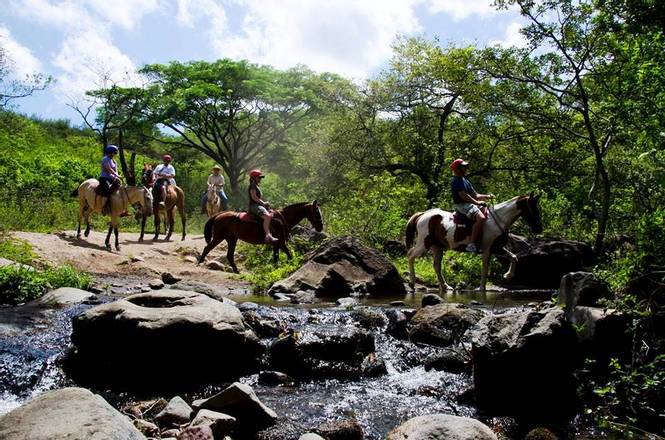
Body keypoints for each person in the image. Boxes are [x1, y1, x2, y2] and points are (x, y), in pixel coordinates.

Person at [450, 158, 493, 253]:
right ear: (457, 169)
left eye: (465, 167)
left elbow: (475, 194)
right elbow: (463, 195)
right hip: (462, 205)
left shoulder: (465, 180)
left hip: (469, 203)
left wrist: (487, 196)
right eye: (463, 167)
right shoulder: (456, 181)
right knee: (481, 218)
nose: (465, 169)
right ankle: (471, 244)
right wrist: (477, 202)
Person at [248, 169, 278, 243]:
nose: (260, 179)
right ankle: (268, 236)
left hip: (258, 205)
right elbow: (254, 197)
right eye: (259, 177)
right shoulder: (252, 186)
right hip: (254, 206)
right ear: (254, 178)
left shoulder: (256, 186)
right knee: (267, 216)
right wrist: (263, 203)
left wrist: (264, 203)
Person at [99, 145, 128, 216]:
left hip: (112, 178)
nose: (113, 154)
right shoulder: (105, 159)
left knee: (122, 189)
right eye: (111, 153)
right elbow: (109, 169)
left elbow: (116, 171)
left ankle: (122, 209)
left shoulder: (114, 161)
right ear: (108, 152)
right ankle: (104, 207)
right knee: (107, 190)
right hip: (104, 178)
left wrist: (118, 178)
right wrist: (117, 176)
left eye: (114, 153)